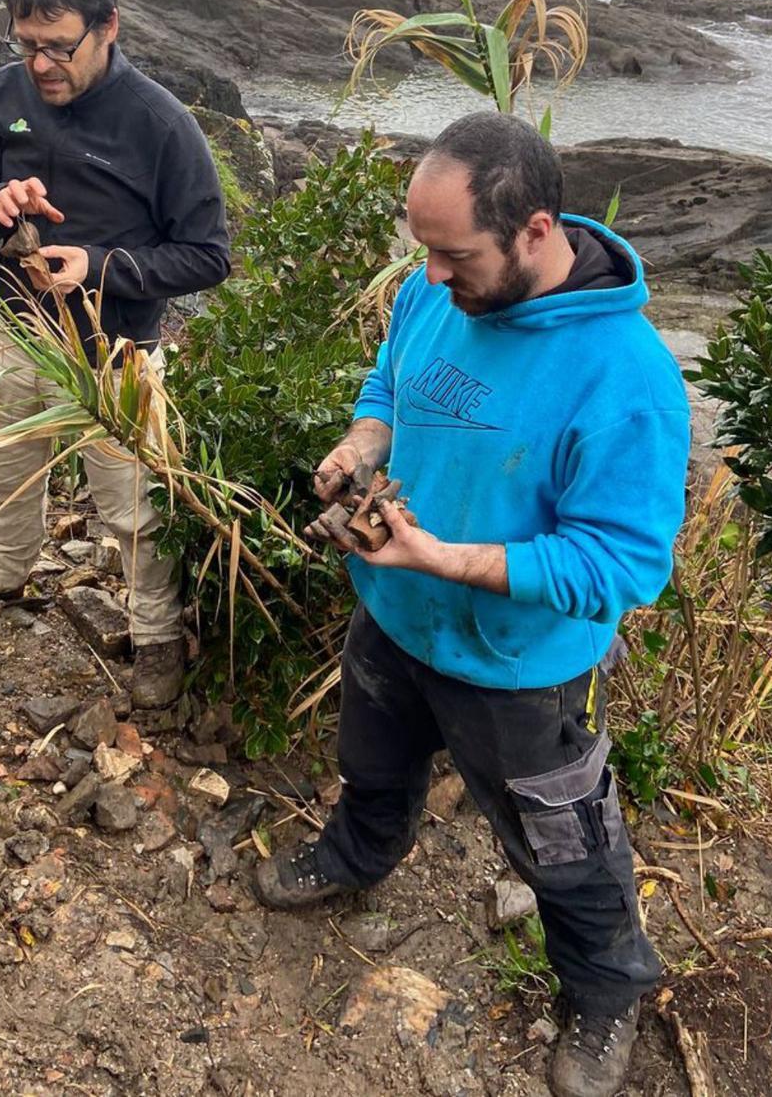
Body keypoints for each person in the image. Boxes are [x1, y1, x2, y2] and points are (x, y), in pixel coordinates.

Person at [254, 113, 690, 1097]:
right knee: (370, 765)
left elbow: (621, 565)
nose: (434, 279)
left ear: (536, 229)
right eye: (426, 256)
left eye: (456, 257)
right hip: (394, 616)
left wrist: (443, 556)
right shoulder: (434, 287)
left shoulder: (629, 380)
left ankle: (607, 989)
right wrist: (360, 445)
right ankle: (354, 859)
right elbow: (392, 384)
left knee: (561, 844)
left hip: (516, 670)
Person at [0, 0, 230, 708]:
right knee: (3, 466)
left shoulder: (161, 123)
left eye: (57, 45)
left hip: (116, 350)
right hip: (18, 328)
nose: (42, 64)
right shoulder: (4, 93)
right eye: (27, 46)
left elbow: (208, 255)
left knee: (134, 505)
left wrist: (101, 267)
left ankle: (154, 633)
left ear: (108, 26)